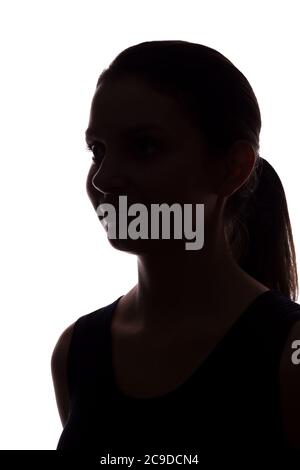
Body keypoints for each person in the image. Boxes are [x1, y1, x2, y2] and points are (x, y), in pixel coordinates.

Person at [51, 40, 300, 453]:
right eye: (98, 150)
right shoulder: (76, 352)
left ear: (232, 167)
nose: (103, 178)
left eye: (144, 146)